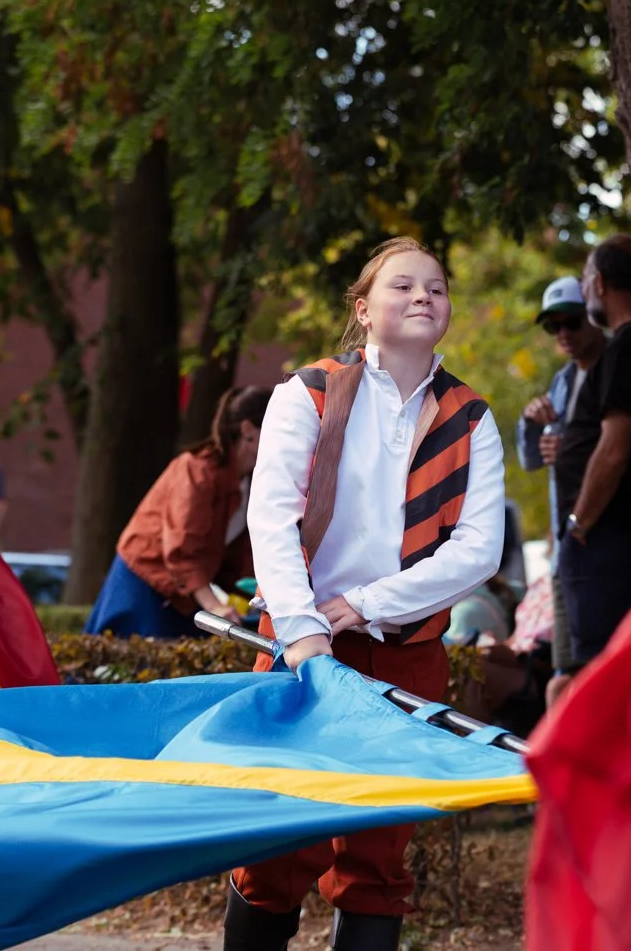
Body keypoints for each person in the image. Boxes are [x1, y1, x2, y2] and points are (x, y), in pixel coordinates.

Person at [223, 237, 505, 951]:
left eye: (436, 287)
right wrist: (303, 627)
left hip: (404, 650)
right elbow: (272, 518)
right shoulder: (308, 392)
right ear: (363, 307)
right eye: (402, 285)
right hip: (300, 645)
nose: (422, 296)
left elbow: (479, 550)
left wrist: (369, 603)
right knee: (277, 841)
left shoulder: (472, 418)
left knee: (379, 853)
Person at [549, 235, 631, 700]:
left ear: (599, 284)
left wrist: (580, 522)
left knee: (602, 681)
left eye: (585, 282)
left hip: (612, 545)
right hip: (620, 543)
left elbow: (615, 446)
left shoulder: (629, 345)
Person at [85, 387, 268, 638]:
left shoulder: (249, 482)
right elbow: (182, 549)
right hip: (146, 587)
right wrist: (214, 606)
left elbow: (236, 563)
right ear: (248, 430)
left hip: (186, 591)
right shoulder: (196, 470)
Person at [513, 274, 607, 705]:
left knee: (592, 672)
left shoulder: (614, 367)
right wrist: (531, 424)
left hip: (608, 545)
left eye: (571, 321)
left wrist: (571, 447)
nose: (564, 334)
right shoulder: (563, 382)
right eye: (553, 326)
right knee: (567, 674)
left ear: (592, 314)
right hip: (569, 548)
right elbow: (534, 460)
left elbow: (620, 452)